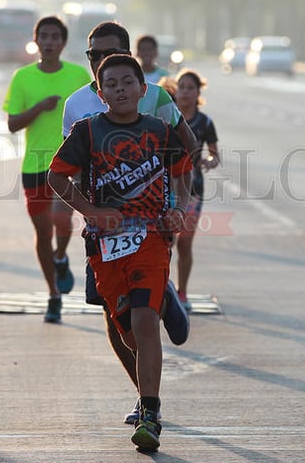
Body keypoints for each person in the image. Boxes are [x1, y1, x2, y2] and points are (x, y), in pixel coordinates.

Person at [48, 54, 192, 451]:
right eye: (110, 84)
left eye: (128, 82)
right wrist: (92, 211)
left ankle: (150, 414)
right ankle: (164, 302)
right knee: (129, 334)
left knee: (145, 326)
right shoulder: (87, 132)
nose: (120, 90)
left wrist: (178, 208)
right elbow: (56, 176)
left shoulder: (159, 131)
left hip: (150, 238)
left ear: (142, 89)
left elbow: (183, 171)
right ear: (100, 92)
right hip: (106, 246)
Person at [3, 16, 92, 323]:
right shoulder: (22, 77)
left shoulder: (78, 75)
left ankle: (60, 256)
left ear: (63, 42)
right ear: (36, 40)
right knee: (42, 232)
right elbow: (13, 124)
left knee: (61, 219)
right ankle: (53, 294)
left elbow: (95, 114)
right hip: (34, 166)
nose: (50, 42)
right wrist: (39, 108)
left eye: (56, 36)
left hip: (68, 165)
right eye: (44, 36)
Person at [171, 69, 220, 311]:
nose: (185, 92)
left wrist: (209, 161)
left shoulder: (205, 122)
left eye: (190, 87)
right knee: (165, 240)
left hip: (193, 188)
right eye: (181, 87)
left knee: (184, 243)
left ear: (198, 92)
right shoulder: (166, 116)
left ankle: (182, 292)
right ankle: (161, 288)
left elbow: (214, 154)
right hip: (166, 186)